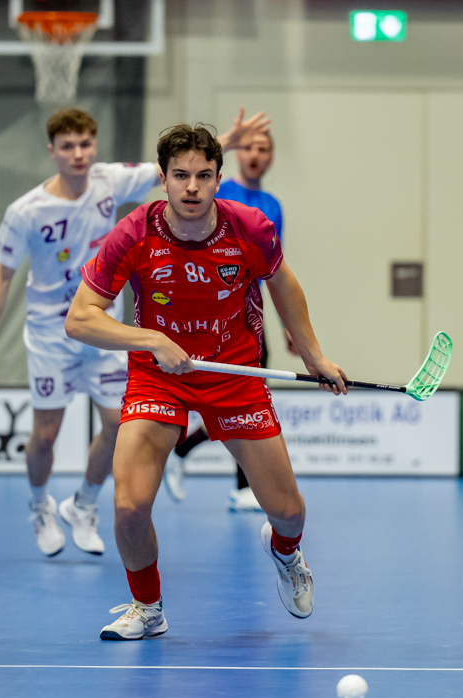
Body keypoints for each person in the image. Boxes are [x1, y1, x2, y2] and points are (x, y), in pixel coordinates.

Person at [65, 123, 348, 640]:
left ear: (219, 178)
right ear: (163, 179)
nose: (191, 187)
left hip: (233, 375)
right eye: (180, 175)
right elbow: (80, 318)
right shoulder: (134, 232)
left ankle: (286, 553)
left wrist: (314, 355)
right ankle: (147, 608)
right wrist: (151, 339)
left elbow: (283, 282)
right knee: (128, 507)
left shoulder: (250, 227)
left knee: (288, 512)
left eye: (202, 175)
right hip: (158, 378)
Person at [0, 108, 271, 558]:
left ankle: (84, 504)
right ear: (52, 151)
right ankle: (40, 505)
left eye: (86, 144)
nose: (79, 154)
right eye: (68, 146)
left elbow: (182, 169)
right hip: (51, 334)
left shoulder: (110, 180)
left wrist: (230, 140)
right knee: (45, 435)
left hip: (108, 331)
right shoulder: (26, 211)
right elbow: (1, 277)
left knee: (113, 424)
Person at [162, 128, 286, 511]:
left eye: (263, 148)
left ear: (271, 157)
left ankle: (232, 479)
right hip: (204, 315)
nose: (255, 154)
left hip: (248, 317)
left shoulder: (272, 205)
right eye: (248, 147)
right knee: (223, 395)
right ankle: (181, 450)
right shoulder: (217, 191)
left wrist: (287, 327)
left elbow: (274, 271)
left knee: (248, 394)